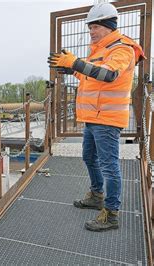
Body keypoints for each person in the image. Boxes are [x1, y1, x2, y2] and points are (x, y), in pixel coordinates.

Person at [48, 2, 145, 231]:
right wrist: (73, 69)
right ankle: (96, 195)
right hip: (93, 118)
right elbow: (92, 79)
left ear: (109, 27)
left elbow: (109, 75)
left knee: (110, 166)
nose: (91, 31)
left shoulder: (122, 49)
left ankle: (111, 214)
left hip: (107, 120)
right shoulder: (100, 51)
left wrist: (76, 63)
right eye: (90, 27)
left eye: (96, 27)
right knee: (89, 158)